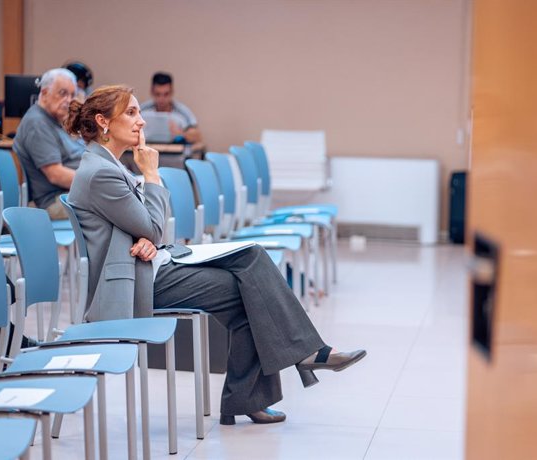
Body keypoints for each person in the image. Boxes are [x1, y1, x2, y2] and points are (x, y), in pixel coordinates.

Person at [65, 85, 366, 425]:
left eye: (139, 113)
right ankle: (297, 362)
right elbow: (152, 226)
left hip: (151, 263)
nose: (141, 123)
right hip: (136, 282)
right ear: (104, 122)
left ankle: (296, 362)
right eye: (131, 114)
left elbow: (146, 228)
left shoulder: (108, 166)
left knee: (250, 263)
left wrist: (145, 236)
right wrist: (151, 176)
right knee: (249, 286)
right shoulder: (101, 172)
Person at [13, 68, 83, 220]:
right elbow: (56, 175)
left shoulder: (54, 121)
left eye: (72, 95)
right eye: (63, 93)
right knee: (113, 205)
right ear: (44, 93)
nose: (69, 101)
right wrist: (97, 182)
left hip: (71, 194)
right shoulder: (37, 123)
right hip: (55, 201)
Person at [140, 72, 203, 145]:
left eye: (166, 94)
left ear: (172, 92)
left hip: (175, 154)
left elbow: (198, 136)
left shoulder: (183, 112)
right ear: (152, 92)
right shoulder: (142, 110)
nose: (161, 99)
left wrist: (181, 134)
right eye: (158, 94)